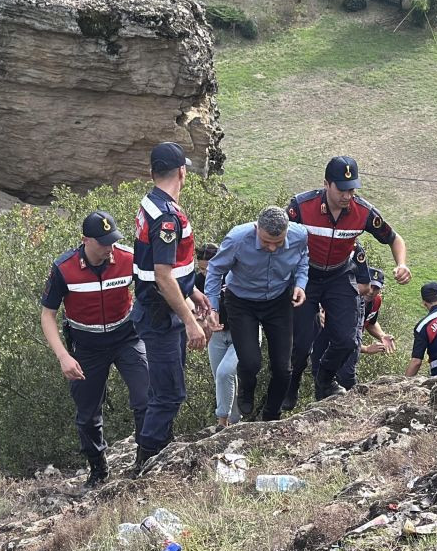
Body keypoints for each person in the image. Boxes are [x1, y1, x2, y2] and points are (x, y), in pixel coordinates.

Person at [285, 156, 410, 408]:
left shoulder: (363, 212)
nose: (347, 195)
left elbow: (394, 239)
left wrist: (401, 264)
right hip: (306, 276)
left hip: (340, 276)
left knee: (347, 340)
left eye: (351, 189)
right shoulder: (300, 206)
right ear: (326, 184)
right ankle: (292, 385)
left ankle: (325, 380)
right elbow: (274, 235)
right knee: (300, 344)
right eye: (342, 189)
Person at [39, 210, 148, 488]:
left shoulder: (128, 258)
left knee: (146, 397)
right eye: (102, 242)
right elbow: (47, 315)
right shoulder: (64, 268)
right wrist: (63, 356)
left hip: (126, 338)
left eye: (112, 240)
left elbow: (154, 286)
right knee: (87, 415)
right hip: (86, 346)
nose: (109, 247)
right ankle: (98, 469)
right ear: (85, 240)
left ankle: (146, 460)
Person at [131, 142, 211, 471]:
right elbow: (163, 277)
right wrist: (191, 321)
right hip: (161, 315)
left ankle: (157, 444)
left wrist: (192, 292)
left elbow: (168, 268)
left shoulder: (151, 202)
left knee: (166, 388)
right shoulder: (166, 216)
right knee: (169, 393)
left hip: (162, 309)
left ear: (152, 173)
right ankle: (147, 461)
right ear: (182, 173)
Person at [205, 206, 309, 422]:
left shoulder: (300, 236)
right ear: (256, 228)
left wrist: (301, 284)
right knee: (250, 362)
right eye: (265, 242)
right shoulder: (237, 239)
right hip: (241, 302)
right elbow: (215, 270)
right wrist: (212, 308)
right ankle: (247, 389)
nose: (272, 248)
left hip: (278, 300)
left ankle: (272, 415)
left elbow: (303, 260)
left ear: (287, 233)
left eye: (278, 242)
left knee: (283, 368)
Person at [309, 248, 394, 390]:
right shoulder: (343, 298)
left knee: (347, 376)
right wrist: (366, 349)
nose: (371, 291)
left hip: (348, 350)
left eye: (376, 288)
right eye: (370, 286)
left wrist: (382, 335)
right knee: (322, 375)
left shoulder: (375, 302)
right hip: (326, 342)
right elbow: (344, 337)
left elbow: (370, 323)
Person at [196, 242, 240, 427]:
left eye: (209, 268)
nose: (206, 273)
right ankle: (235, 421)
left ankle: (222, 421)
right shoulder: (196, 281)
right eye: (202, 269)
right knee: (222, 379)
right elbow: (194, 309)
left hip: (240, 333)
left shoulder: (236, 275)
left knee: (225, 372)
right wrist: (200, 322)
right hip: (216, 336)